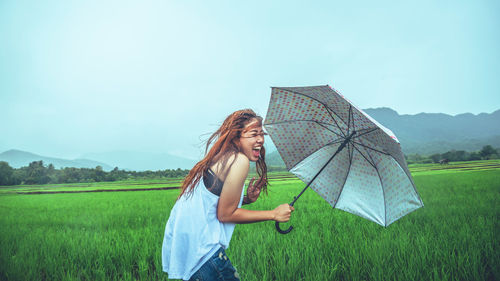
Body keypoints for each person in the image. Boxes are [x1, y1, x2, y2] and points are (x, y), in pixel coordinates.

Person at [162, 109, 294, 281]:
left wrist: (245, 199)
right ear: (236, 137)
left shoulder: (220, 157)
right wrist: (273, 214)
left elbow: (212, 203)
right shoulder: (239, 160)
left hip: (191, 251)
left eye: (262, 134)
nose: (260, 139)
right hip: (205, 254)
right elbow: (225, 214)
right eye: (254, 134)